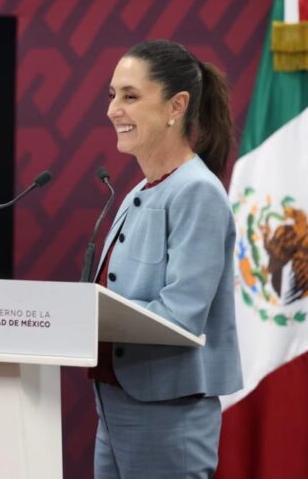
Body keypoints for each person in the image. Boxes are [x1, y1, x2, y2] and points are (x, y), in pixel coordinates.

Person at [90, 40, 243, 478]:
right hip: (115, 404)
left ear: (177, 105)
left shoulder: (197, 191)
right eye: (112, 95)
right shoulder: (137, 192)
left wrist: (89, 312)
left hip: (166, 411)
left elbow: (182, 314)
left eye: (130, 96)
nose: (113, 110)